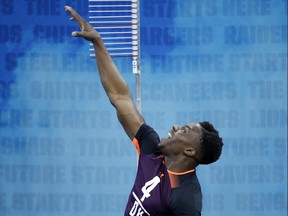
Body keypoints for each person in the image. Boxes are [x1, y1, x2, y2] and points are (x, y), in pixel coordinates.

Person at [65, 6, 223, 216]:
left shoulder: (185, 197)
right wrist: (98, 43)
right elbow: (120, 97)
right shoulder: (151, 148)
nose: (176, 126)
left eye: (184, 130)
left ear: (190, 151)